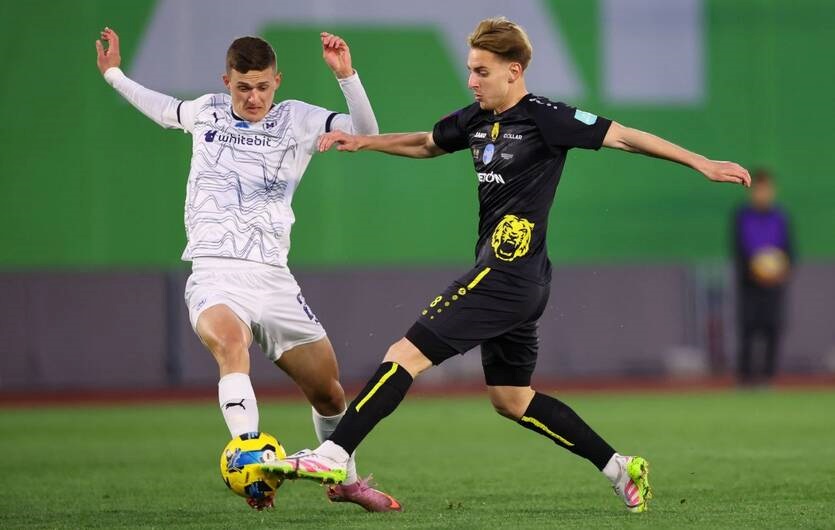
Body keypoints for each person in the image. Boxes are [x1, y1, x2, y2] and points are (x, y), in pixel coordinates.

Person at [267, 17, 751, 513]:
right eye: (470, 70)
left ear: (513, 71)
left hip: (506, 275)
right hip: (521, 282)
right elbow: (427, 143)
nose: (471, 81)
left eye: (481, 71)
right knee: (512, 399)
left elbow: (625, 137)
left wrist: (702, 162)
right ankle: (619, 467)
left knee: (404, 354)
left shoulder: (546, 118)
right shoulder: (477, 119)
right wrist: (365, 141)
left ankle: (334, 452)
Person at [95, 27, 401, 512]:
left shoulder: (298, 118)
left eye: (262, 86)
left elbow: (366, 132)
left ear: (277, 81)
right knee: (231, 346)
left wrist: (347, 77)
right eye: (243, 87)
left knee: (328, 394)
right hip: (215, 273)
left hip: (274, 279)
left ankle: (344, 480)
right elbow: (162, 107)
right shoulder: (207, 111)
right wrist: (114, 75)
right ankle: (249, 457)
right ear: (227, 82)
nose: (253, 97)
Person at [733, 169, 793, 385]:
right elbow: (737, 249)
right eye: (758, 189)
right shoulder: (742, 216)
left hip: (774, 284)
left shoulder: (780, 217)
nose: (762, 194)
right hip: (749, 283)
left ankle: (768, 378)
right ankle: (745, 378)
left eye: (766, 189)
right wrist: (753, 271)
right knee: (748, 328)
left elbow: (789, 249)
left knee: (773, 328)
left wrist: (781, 271)